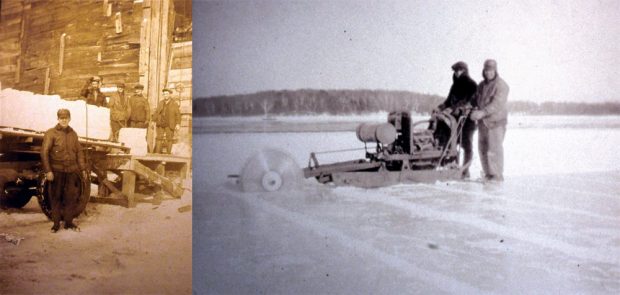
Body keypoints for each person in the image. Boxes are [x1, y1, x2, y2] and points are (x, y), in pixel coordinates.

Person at [41, 109, 88, 232]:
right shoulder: (51, 133)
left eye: (66, 117)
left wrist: (82, 168)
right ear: (58, 119)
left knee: (70, 197)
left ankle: (68, 222)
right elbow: (44, 153)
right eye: (61, 117)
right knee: (56, 197)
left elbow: (79, 152)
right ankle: (56, 224)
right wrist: (48, 171)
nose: (64, 119)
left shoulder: (73, 134)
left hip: (71, 171)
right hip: (57, 171)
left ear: (70, 118)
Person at [436, 61, 478, 178]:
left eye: (460, 70)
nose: (457, 73)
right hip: (454, 120)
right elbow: (448, 101)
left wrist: (454, 108)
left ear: (465, 71)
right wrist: (440, 107)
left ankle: (465, 170)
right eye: (456, 71)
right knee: (450, 142)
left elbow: (468, 101)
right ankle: (451, 165)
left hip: (467, 120)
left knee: (466, 144)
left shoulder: (471, 84)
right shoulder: (454, 86)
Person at [470, 59, 509, 182]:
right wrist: (468, 107)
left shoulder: (502, 85)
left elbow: (497, 104)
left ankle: (496, 176)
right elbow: (474, 100)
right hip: (483, 123)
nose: (488, 73)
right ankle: (488, 174)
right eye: (486, 70)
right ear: (484, 71)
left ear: (495, 70)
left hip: (496, 123)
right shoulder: (481, 85)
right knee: (482, 149)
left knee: (494, 149)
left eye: (491, 70)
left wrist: (482, 112)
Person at [154, 88, 181, 154]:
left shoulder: (174, 104)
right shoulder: (161, 103)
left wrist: (178, 124)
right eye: (164, 94)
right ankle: (157, 154)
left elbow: (178, 114)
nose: (165, 95)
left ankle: (168, 154)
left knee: (169, 139)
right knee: (159, 138)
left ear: (170, 95)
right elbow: (157, 112)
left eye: (166, 94)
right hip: (161, 123)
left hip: (170, 124)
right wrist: (153, 121)